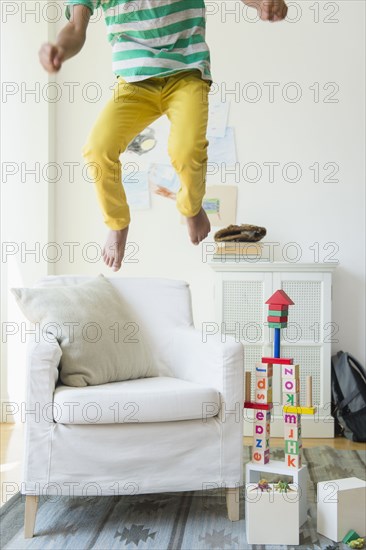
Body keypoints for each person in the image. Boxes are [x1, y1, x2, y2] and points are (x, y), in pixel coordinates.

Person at [39, 0, 288, 271]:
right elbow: (76, 26)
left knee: (187, 150)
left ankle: (190, 207)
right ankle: (117, 223)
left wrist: (261, 3)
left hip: (186, 74)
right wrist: (59, 50)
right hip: (134, 83)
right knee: (97, 149)